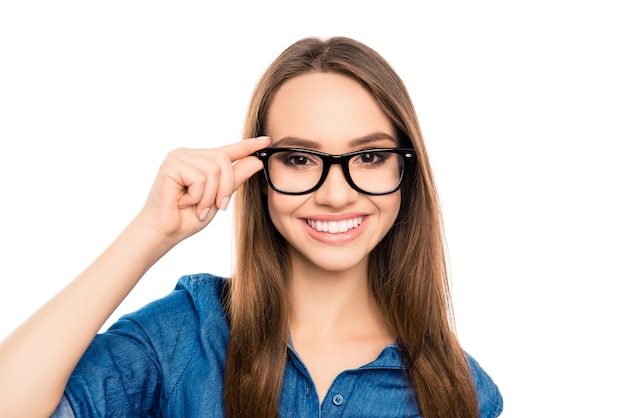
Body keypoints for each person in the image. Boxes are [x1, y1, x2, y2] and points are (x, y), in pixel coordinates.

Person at [0, 36, 503, 417]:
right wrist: (151, 232)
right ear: (260, 174)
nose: (335, 194)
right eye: (301, 158)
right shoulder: (184, 338)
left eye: (369, 156)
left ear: (405, 174)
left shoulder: (462, 391)